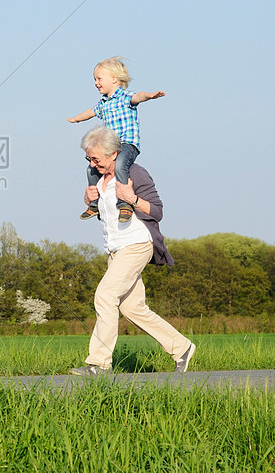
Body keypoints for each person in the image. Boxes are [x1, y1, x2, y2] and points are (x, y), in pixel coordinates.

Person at [70, 126, 195, 376]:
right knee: (132, 308)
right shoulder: (99, 179)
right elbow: (109, 218)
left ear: (114, 154)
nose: (92, 164)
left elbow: (157, 211)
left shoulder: (134, 174)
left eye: (96, 159)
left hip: (137, 243)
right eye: (89, 159)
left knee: (105, 296)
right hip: (115, 249)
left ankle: (99, 363)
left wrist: (133, 198)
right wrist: (90, 201)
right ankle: (182, 347)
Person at [67, 57, 165, 222]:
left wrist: (149, 96)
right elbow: (91, 112)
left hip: (127, 144)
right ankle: (94, 204)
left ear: (114, 79)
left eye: (99, 78)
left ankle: (124, 203)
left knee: (120, 165)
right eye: (94, 79)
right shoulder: (103, 104)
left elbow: (138, 97)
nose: (96, 83)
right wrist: (76, 119)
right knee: (90, 170)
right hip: (109, 148)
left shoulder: (125, 97)